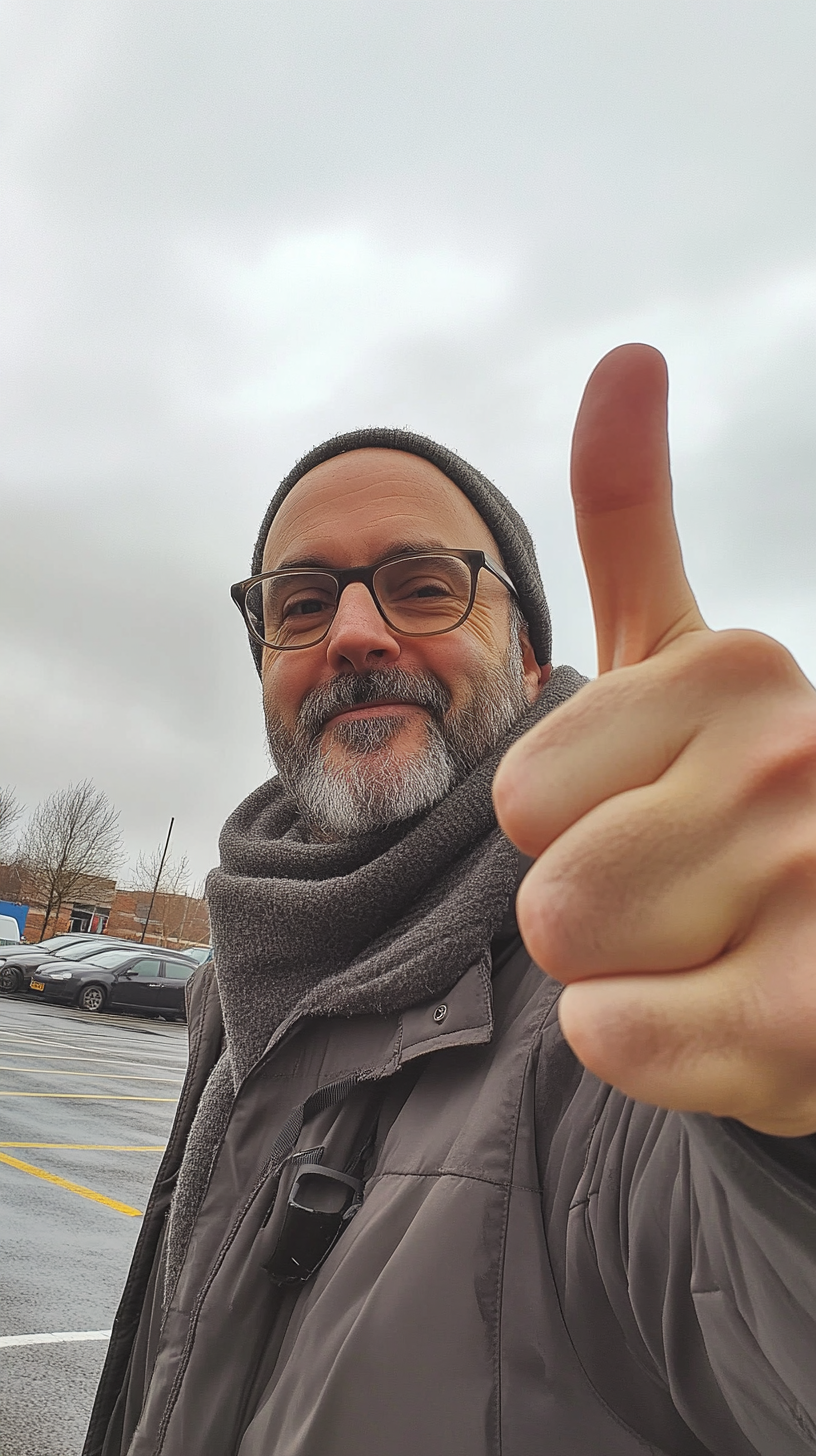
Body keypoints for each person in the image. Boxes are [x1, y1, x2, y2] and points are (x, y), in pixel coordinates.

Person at [85, 345, 816, 1456]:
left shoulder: (616, 1014)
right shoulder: (241, 983)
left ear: (530, 662)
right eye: (302, 599)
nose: (355, 632)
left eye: (425, 585)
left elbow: (765, 1325)